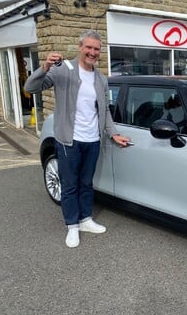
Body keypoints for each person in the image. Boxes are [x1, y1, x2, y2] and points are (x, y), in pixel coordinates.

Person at [25, 30, 130, 248]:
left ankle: (85, 220)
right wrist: (44, 67)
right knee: (70, 184)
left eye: (96, 49)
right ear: (80, 47)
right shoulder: (63, 70)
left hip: (93, 140)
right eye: (89, 47)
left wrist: (113, 133)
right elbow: (30, 87)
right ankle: (72, 226)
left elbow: (105, 111)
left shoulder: (101, 79)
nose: (92, 52)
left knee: (86, 183)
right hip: (69, 140)